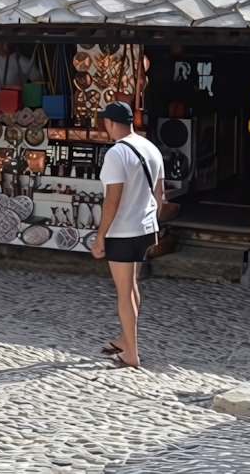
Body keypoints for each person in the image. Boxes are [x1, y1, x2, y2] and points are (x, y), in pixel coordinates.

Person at [89, 101, 164, 368]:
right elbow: (159, 195)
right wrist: (150, 221)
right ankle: (124, 338)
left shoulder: (116, 154)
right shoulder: (151, 148)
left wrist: (100, 236)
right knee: (131, 287)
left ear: (109, 123)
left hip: (123, 231)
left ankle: (131, 353)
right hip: (145, 228)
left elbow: (112, 199)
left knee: (123, 292)